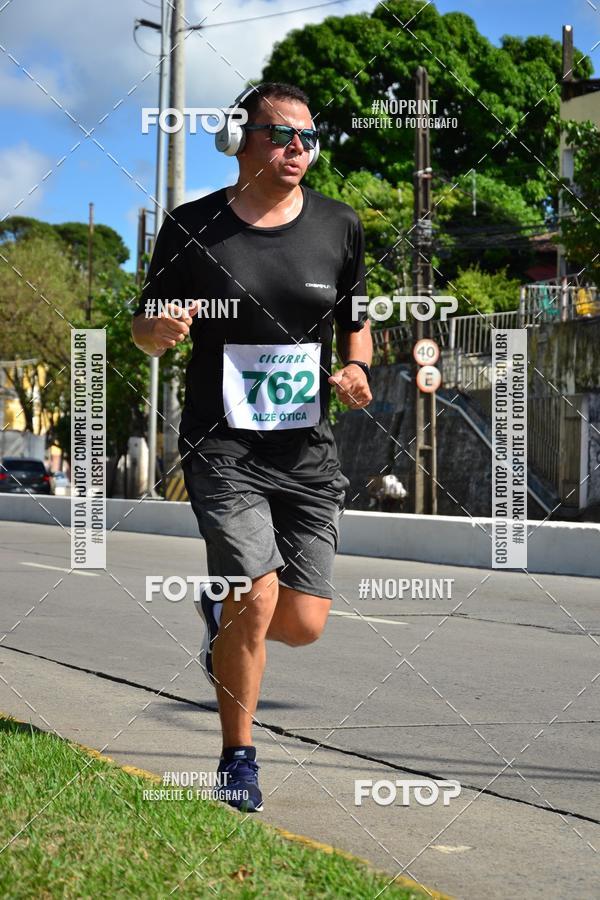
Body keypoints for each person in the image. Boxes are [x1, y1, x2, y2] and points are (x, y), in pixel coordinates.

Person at [131, 82, 372, 813]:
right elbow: (144, 321)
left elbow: (356, 318)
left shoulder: (339, 225)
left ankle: (221, 622)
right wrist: (158, 332)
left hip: (305, 450)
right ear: (244, 141)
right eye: (281, 135)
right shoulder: (193, 227)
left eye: (309, 137)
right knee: (256, 593)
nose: (298, 149)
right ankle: (238, 759)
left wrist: (357, 366)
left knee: (301, 624)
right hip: (222, 444)